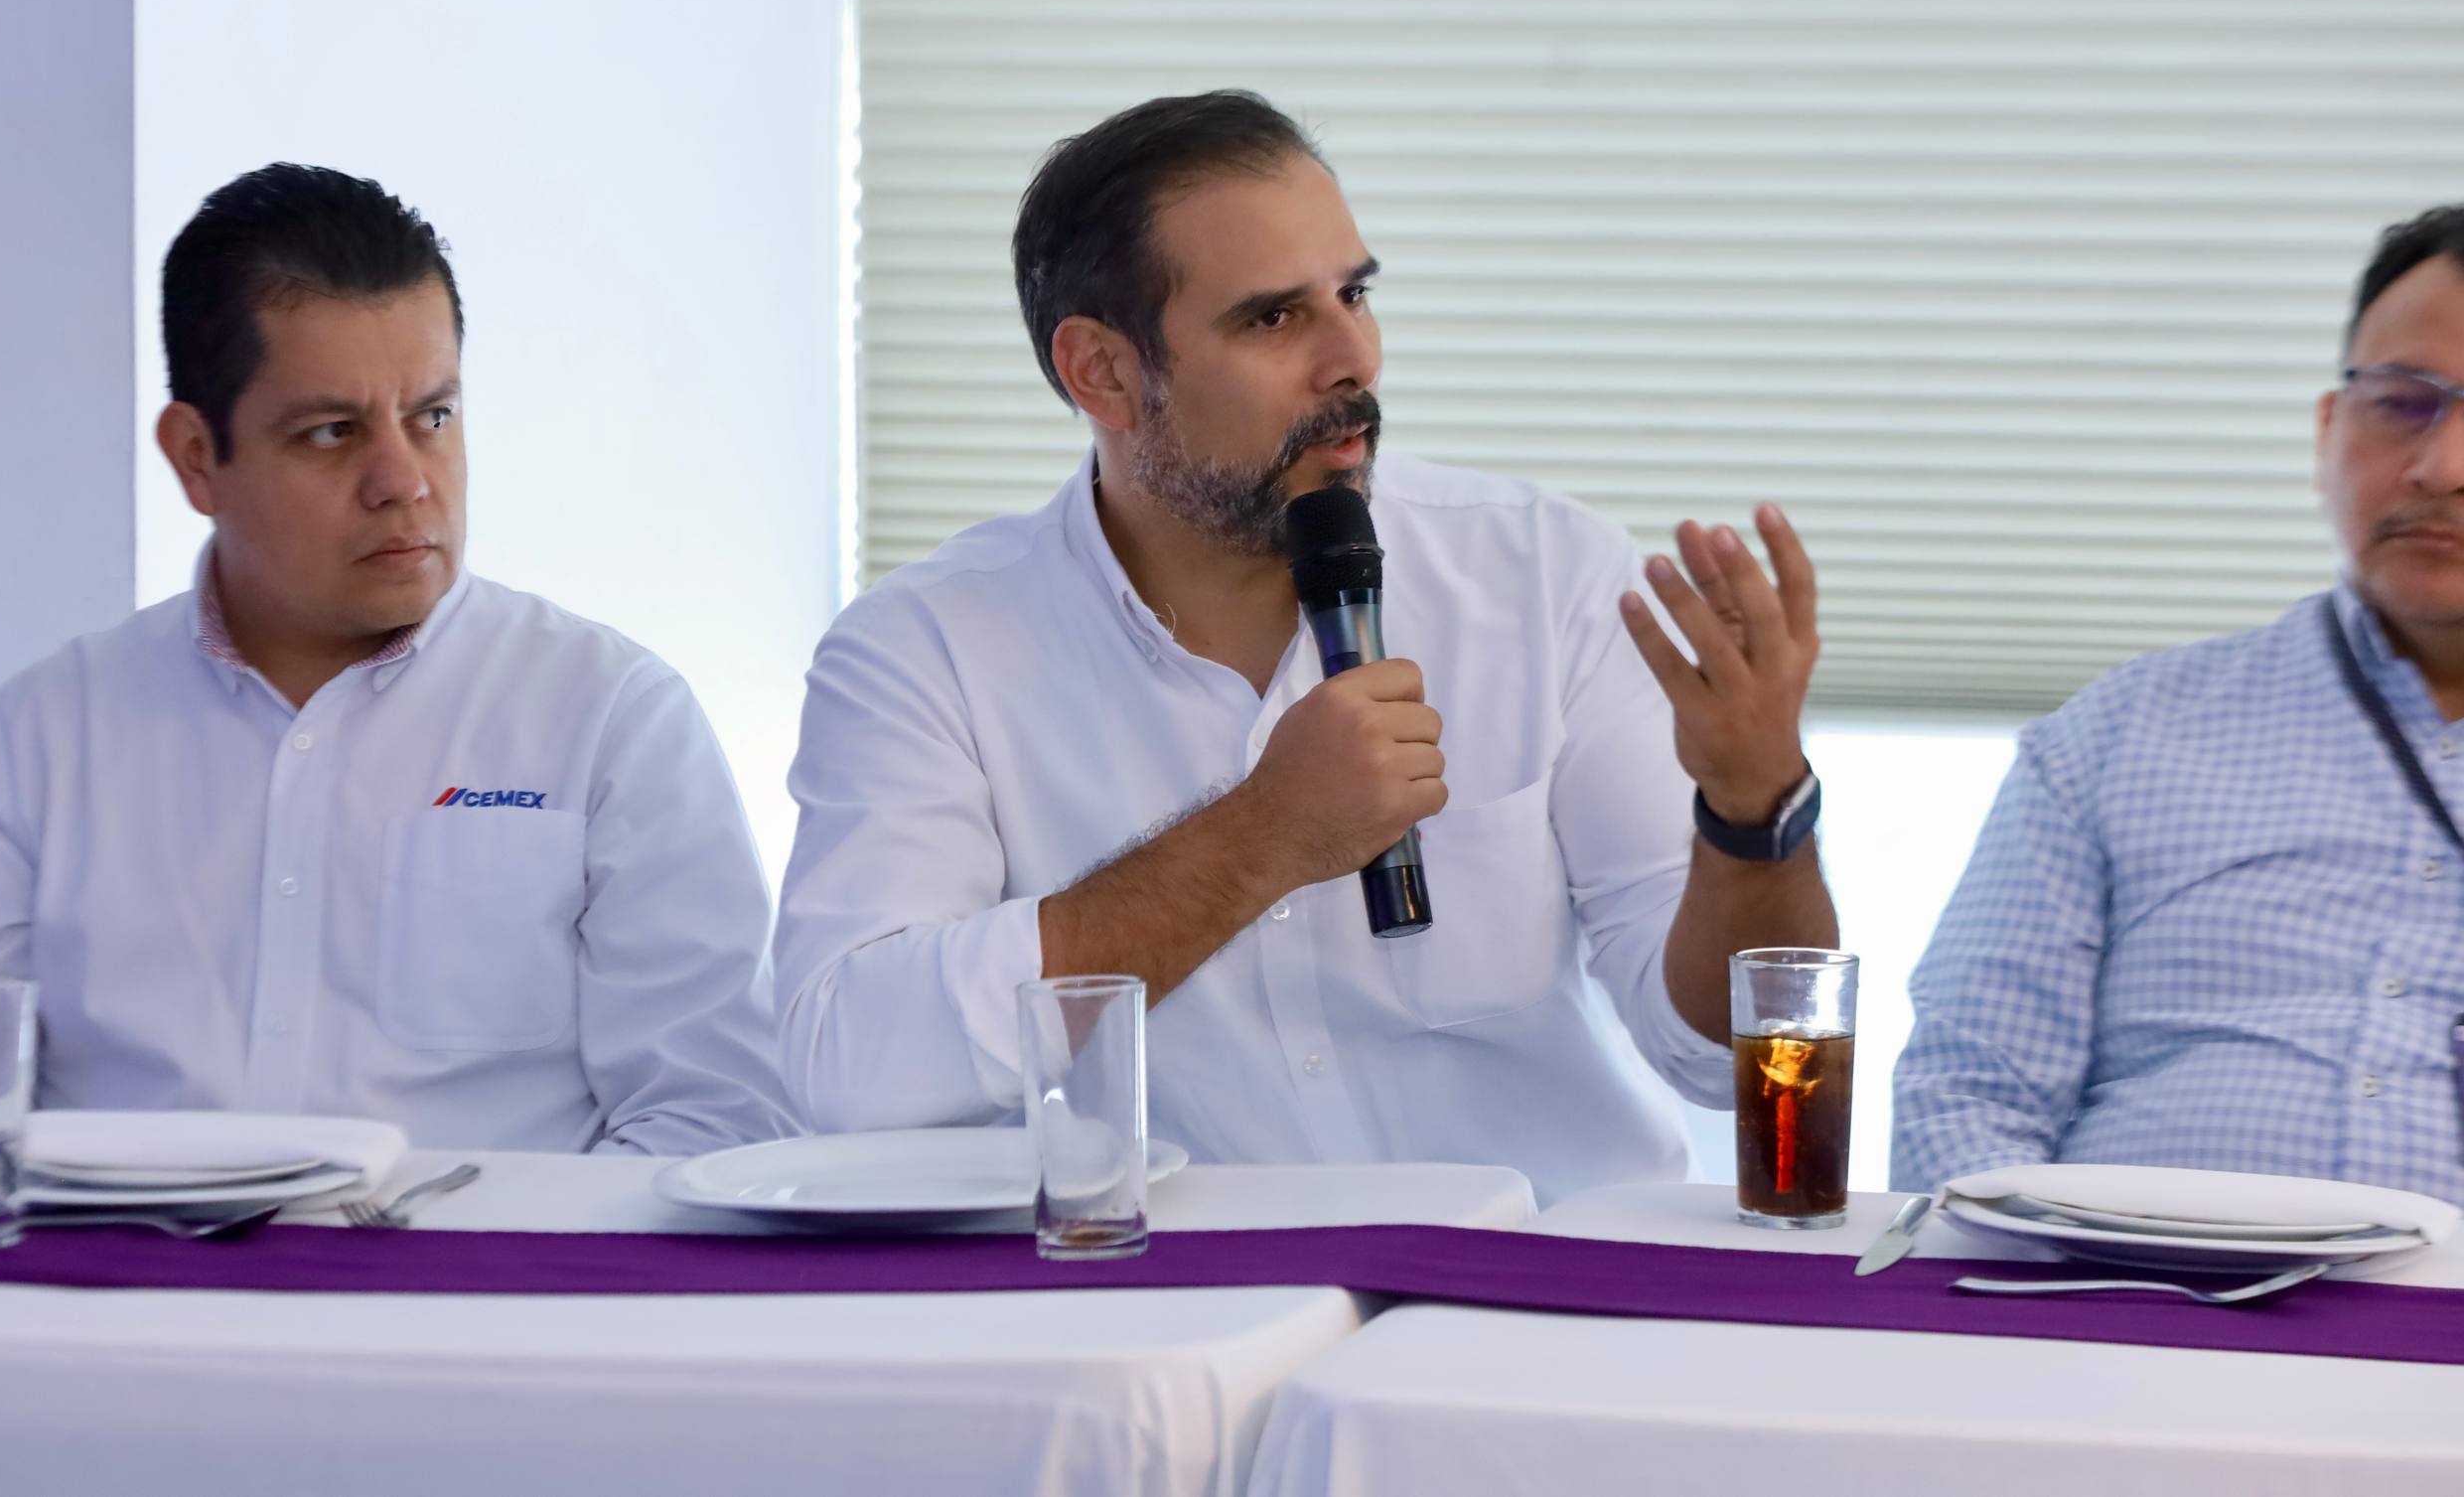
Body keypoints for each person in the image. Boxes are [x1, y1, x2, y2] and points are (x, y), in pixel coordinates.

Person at [773, 91, 1836, 1202]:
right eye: (1273, 318)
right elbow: (851, 1071)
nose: (1352, 358)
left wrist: (1752, 813)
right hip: (1156, 1281)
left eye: (1355, 294)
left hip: (1532, 1267)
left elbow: (1719, 1055)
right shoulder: (926, 648)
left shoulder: (1547, 574)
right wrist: (1260, 835)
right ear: (1102, 372)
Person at [0, 163, 794, 1153]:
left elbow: (715, 1119)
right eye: (331, 432)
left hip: (492, 1256)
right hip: (127, 1256)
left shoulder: (609, 719)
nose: (403, 482)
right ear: (197, 457)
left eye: (433, 417)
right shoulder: (32, 743)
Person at [1892, 205, 2464, 1202]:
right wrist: (2042, 1284)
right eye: (2403, 404)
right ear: (2327, 429)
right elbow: (1964, 1097)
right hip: (2114, 1290)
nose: (2442, 466)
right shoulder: (2117, 736)